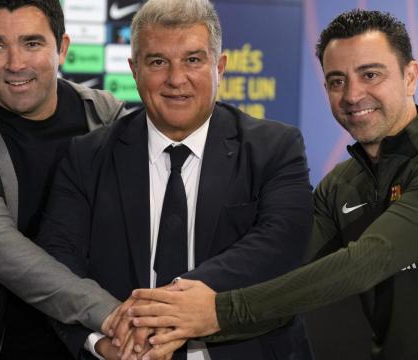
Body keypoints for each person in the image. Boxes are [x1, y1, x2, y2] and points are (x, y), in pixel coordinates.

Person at [127, 9, 418, 360]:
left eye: (370, 74)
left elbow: (371, 258)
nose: (353, 95)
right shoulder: (341, 185)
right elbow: (285, 283)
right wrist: (173, 323)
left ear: (410, 76)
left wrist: (217, 312)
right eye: (337, 81)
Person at [36, 0, 314, 359]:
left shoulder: (274, 148)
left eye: (193, 60)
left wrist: (162, 308)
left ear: (220, 66)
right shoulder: (86, 157)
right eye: (157, 62)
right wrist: (103, 343)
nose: (176, 79)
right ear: (134, 70)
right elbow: (58, 265)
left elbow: (281, 244)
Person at [0, 1, 130, 359]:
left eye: (32, 43)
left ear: (61, 47)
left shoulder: (106, 118)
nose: (15, 64)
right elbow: (7, 254)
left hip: (93, 344)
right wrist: (113, 315)